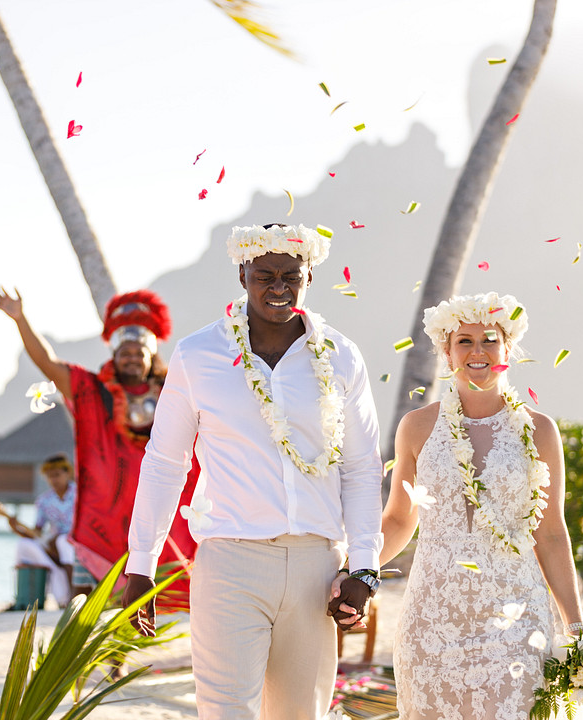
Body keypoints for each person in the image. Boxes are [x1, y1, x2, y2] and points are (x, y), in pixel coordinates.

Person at [124, 223, 384, 720]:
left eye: (292, 275)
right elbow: (164, 463)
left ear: (309, 275)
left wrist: (365, 567)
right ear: (242, 274)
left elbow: (360, 467)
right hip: (230, 562)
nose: (278, 288)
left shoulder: (342, 356)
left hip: (317, 566)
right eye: (264, 275)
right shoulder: (198, 355)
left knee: (299, 714)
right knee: (225, 712)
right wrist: (142, 562)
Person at [382, 292, 583, 720]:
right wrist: (356, 568)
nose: (478, 352)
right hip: (433, 616)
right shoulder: (416, 426)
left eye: (489, 340)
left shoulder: (540, 431)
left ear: (507, 349)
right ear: (446, 350)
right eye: (464, 341)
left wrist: (576, 623)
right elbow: (400, 518)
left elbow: (550, 532)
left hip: (515, 615)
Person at [0, 286, 199, 607]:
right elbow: (47, 363)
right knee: (89, 608)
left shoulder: (176, 393)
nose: (131, 359)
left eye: (138, 353)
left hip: (157, 513)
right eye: (124, 353)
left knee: (159, 604)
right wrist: (20, 319)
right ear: (114, 357)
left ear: (151, 357)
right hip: (101, 521)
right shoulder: (92, 391)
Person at [0, 453, 76, 607]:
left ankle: (74, 593)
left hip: (77, 541)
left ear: (67, 473)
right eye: (49, 476)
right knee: (23, 545)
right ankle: (23, 598)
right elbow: (37, 533)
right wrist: (15, 527)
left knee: (62, 541)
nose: (54, 480)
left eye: (57, 475)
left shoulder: (80, 493)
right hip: (55, 547)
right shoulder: (44, 501)